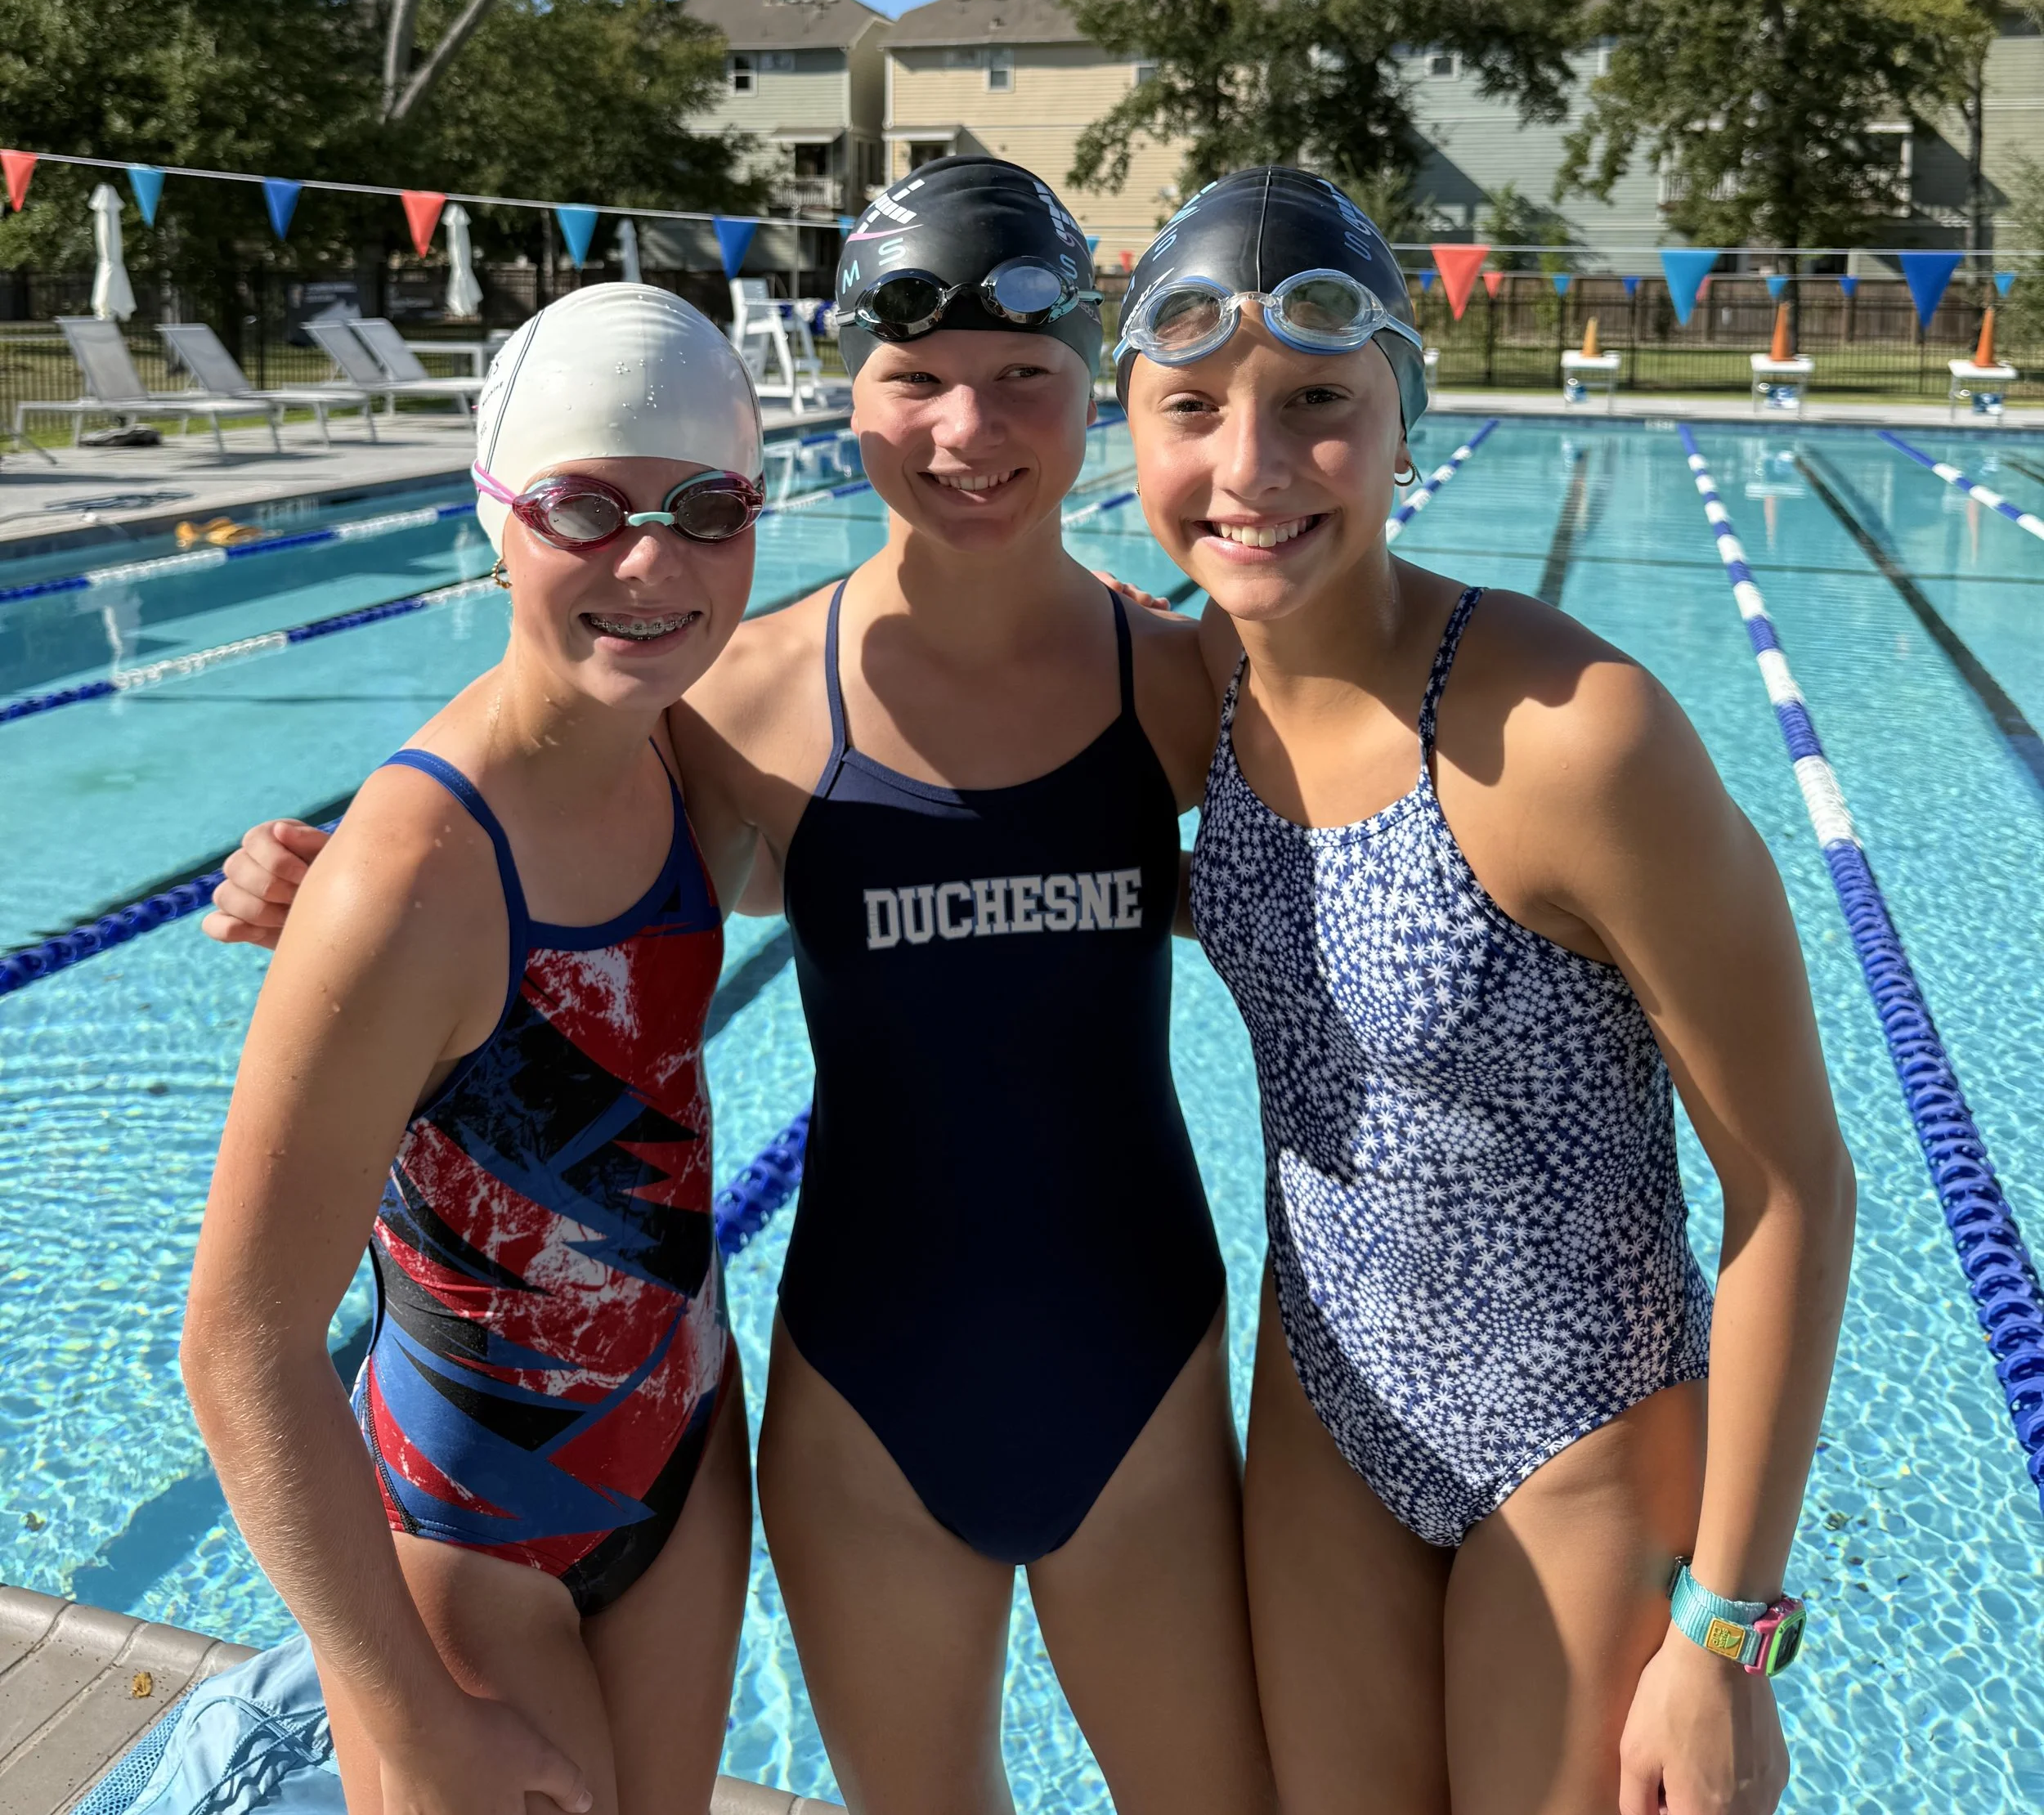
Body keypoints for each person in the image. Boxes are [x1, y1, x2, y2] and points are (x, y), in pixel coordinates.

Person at [205, 158, 1276, 1815]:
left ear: (1096, 396)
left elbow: (1355, 865)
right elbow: (548, 901)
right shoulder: (745, 705)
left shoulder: (1187, 683)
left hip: (1136, 1377)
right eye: (911, 380)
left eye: (1021, 381)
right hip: (860, 1408)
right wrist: (335, 887)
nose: (965, 432)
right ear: (842, 403)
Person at [1112, 167, 1856, 1815]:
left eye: (1313, 402)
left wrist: (1725, 1633)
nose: (1247, 468)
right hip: (1325, 1418)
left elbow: (1792, 1183)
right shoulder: (1188, 700)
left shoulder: (1573, 738)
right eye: (1189, 409)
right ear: (1133, 431)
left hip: (1576, 1441)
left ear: (1401, 415)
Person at [184, 285, 764, 1815]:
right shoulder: (413, 874)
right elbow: (240, 1350)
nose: (654, 561)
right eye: (587, 505)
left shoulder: (680, 743)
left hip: (689, 1461)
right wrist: (415, 1715)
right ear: (497, 520)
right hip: (473, 1523)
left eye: (710, 507)